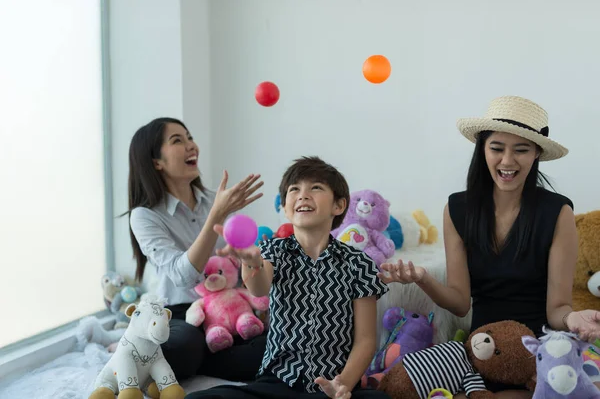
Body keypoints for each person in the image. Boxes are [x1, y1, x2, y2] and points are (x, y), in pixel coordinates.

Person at [378, 96, 600, 398]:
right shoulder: (457, 208)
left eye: (521, 150)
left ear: (535, 154)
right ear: (482, 149)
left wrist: (573, 318)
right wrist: (422, 278)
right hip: (483, 348)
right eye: (497, 148)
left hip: (539, 350)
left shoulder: (557, 212)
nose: (507, 161)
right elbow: (459, 302)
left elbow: (557, 310)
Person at [186, 156, 391, 399]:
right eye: (295, 190)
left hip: (332, 387)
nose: (303, 195)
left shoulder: (360, 264)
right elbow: (259, 287)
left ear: (339, 205)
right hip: (277, 383)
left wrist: (342, 384)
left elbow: (366, 340)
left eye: (315, 187)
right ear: (285, 208)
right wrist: (250, 261)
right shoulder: (274, 250)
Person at [126, 117, 267, 382]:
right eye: (178, 140)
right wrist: (217, 213)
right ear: (156, 161)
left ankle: (206, 352)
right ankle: (138, 344)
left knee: (271, 344)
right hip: (175, 314)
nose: (192, 146)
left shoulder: (216, 202)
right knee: (184, 346)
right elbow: (183, 276)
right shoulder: (144, 216)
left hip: (224, 309)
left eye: (190, 137)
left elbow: (239, 265)